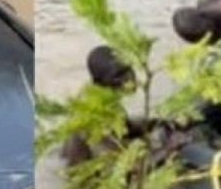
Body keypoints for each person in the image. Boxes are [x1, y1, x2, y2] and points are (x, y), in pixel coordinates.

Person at [60, 45, 189, 169]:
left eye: (128, 69)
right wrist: (170, 148)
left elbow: (125, 129)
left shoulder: (102, 96)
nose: (130, 78)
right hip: (87, 182)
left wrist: (158, 122)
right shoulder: (95, 115)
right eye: (118, 75)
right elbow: (130, 168)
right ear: (99, 82)